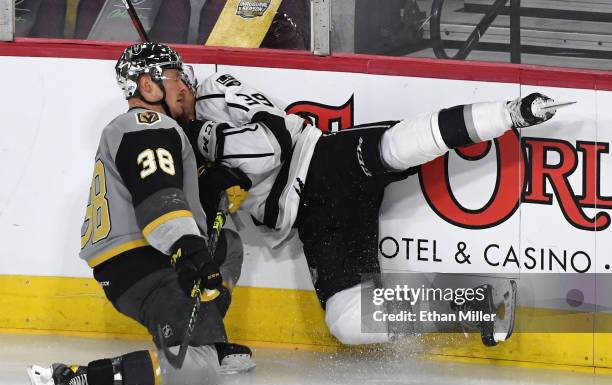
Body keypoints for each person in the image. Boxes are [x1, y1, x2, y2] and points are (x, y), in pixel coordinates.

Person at [178, 56, 561, 347]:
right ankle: (475, 303)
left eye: (171, 75)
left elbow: (272, 142)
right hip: (312, 217)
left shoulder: (214, 89)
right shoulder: (172, 150)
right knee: (345, 320)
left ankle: (510, 113)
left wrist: (207, 141)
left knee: (396, 146)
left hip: (321, 160)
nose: (176, 88)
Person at [27, 43, 254, 385]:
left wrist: (207, 184)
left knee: (226, 245)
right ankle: (80, 379)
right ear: (148, 86)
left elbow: (164, 189)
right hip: (144, 262)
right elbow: (159, 197)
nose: (185, 88)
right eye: (177, 78)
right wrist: (188, 251)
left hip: (138, 257)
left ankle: (204, 332)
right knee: (198, 370)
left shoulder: (149, 130)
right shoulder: (146, 124)